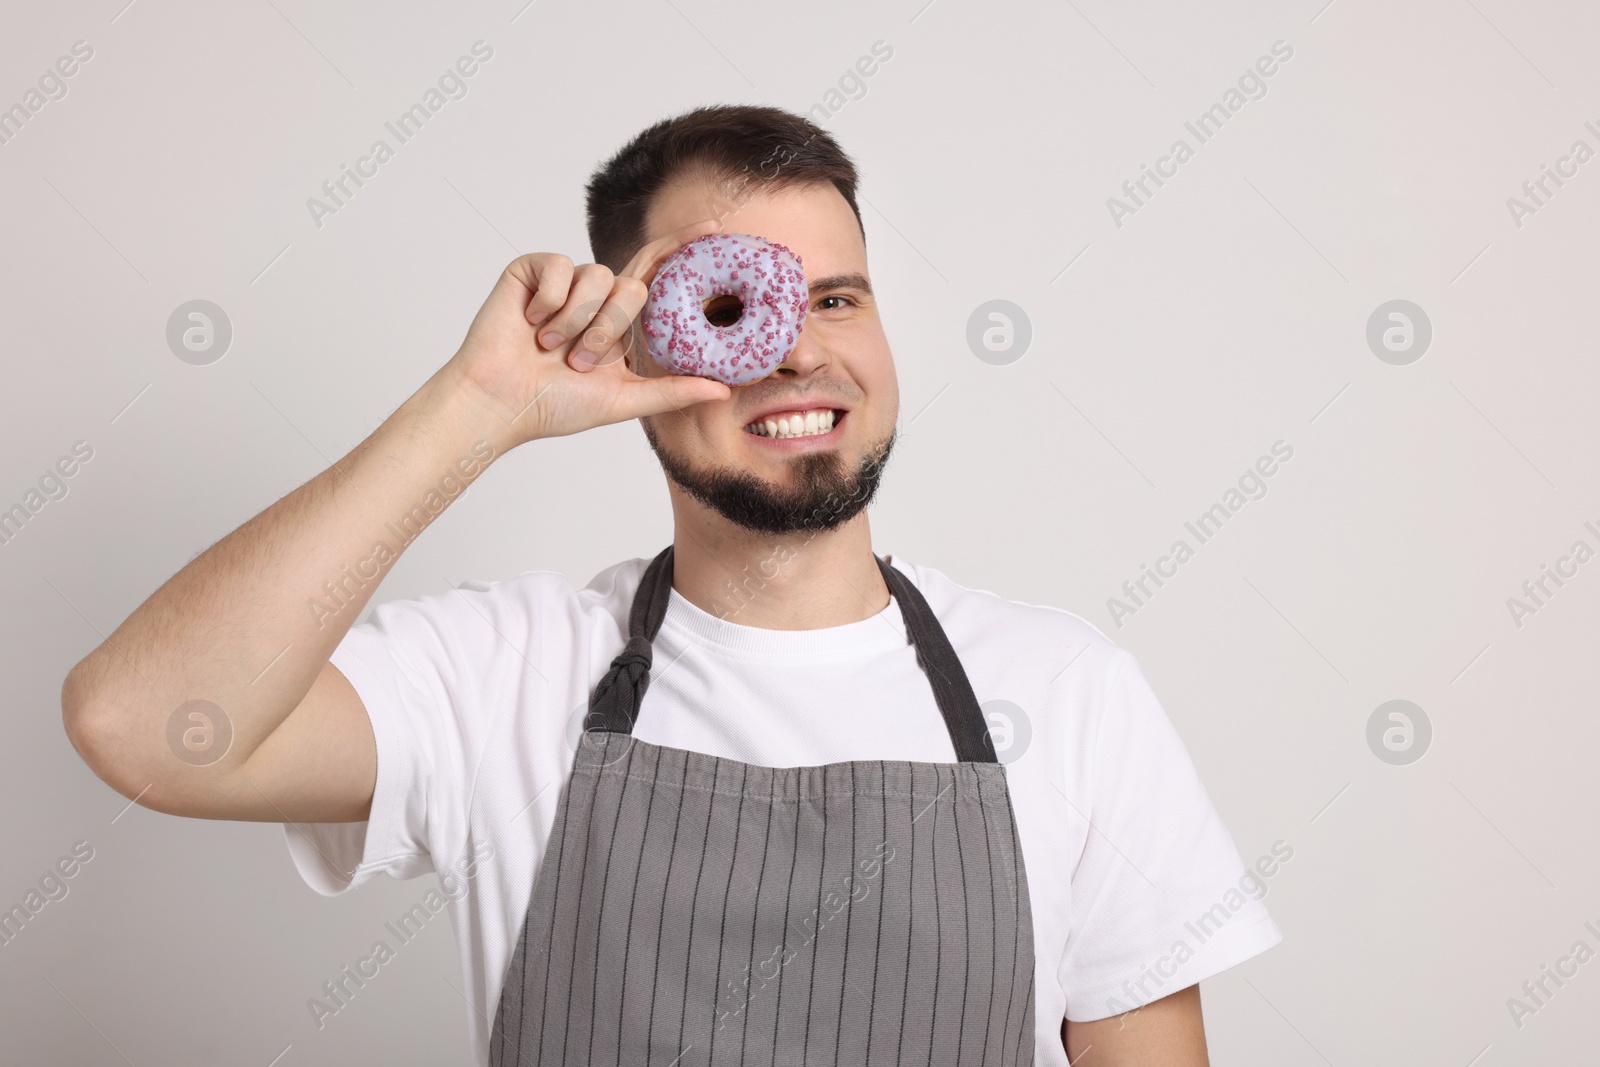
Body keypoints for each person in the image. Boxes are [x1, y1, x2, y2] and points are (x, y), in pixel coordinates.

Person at [61, 104, 1281, 1066]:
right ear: (633, 345)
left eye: (839, 297)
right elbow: (143, 726)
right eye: (735, 304)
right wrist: (475, 409)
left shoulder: (1063, 689)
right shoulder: (507, 672)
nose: (800, 347)